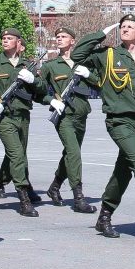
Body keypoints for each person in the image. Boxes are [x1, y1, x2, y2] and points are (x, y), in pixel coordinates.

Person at [71, 14, 135, 238]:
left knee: (123, 171)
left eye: (130, 26)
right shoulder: (108, 55)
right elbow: (77, 55)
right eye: (122, 26)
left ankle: (104, 216)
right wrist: (100, 34)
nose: (124, 29)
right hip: (119, 120)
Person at [0, 29, 42, 217]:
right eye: (3, 38)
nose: (5, 41)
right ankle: (24, 199)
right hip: (4, 116)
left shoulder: (28, 65)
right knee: (17, 155)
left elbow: (42, 89)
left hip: (23, 115)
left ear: (19, 42)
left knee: (14, 157)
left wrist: (33, 80)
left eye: (9, 38)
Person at [39, 28, 97, 214]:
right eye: (57, 37)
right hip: (63, 117)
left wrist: (89, 74)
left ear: (73, 41)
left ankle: (54, 187)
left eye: (64, 37)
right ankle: (78, 197)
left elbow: (101, 83)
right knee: (74, 153)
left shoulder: (84, 62)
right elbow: (38, 90)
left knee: (70, 154)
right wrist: (51, 100)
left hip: (81, 114)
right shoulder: (51, 65)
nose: (59, 39)